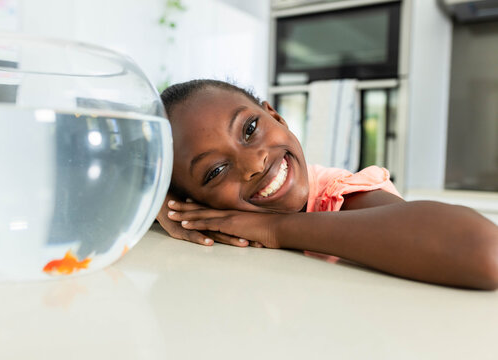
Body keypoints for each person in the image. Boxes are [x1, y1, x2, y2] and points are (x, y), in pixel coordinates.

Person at [156, 79, 498, 290]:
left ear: (275, 116)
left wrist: (276, 228)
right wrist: (157, 202)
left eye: (249, 129)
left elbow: (486, 252)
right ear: (195, 201)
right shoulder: (214, 224)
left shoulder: (339, 194)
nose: (254, 163)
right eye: (215, 171)